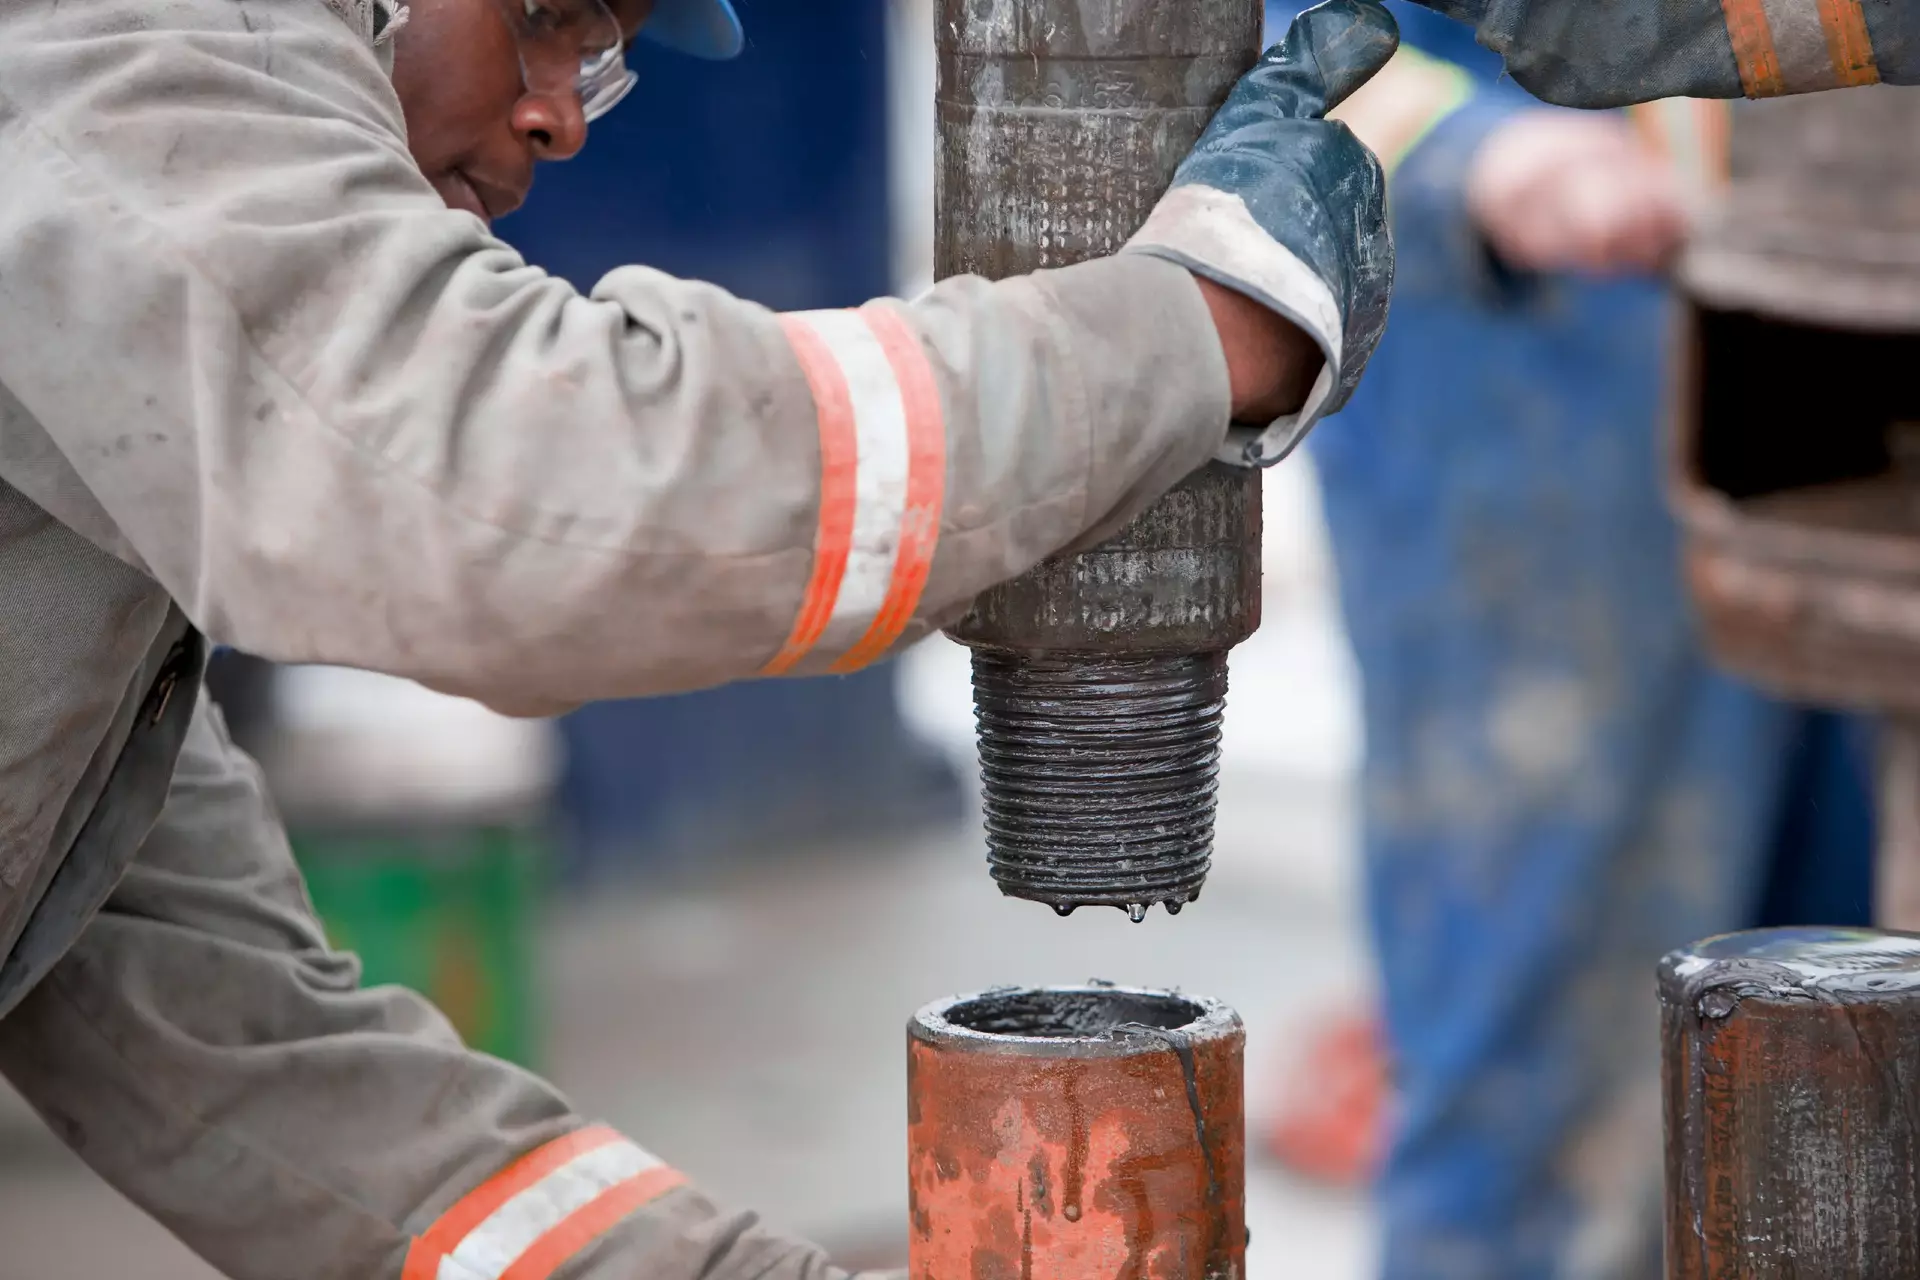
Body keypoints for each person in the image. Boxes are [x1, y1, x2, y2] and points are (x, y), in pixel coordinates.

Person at [0, 0, 1402, 1275]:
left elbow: (263, 1072)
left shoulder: (67, 668)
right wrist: (1192, 336)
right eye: (546, 20)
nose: (555, 114)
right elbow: (528, 498)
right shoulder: (116, 45)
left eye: (597, 66)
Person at [1263, 3, 1880, 1277]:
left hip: (1840, 310)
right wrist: (1468, 152)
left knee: (1849, 1038)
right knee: (1548, 1051)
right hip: (1535, 339)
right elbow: (1207, 37)